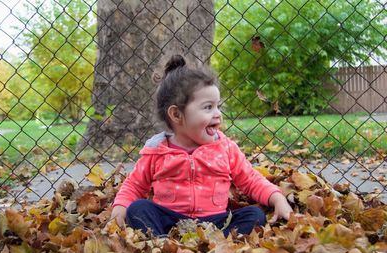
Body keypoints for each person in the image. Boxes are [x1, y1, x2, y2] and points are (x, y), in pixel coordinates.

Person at [110, 54, 293, 236]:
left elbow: (251, 180)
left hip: (216, 222)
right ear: (176, 115)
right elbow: (134, 185)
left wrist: (276, 198)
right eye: (208, 107)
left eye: (218, 106)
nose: (218, 114)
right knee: (138, 209)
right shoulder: (157, 150)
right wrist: (121, 206)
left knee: (255, 215)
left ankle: (219, 244)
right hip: (170, 220)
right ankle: (162, 243)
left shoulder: (225, 148)